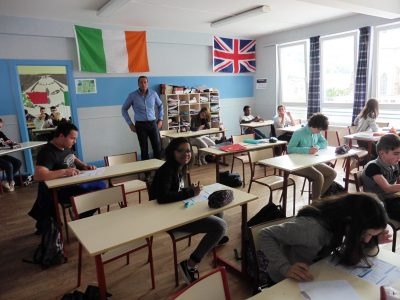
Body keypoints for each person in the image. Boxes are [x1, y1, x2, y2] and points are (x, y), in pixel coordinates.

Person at [259, 192, 390, 284]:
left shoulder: (341, 222)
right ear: (350, 221)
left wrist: (374, 241)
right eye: (366, 234)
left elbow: (350, 246)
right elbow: (265, 234)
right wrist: (285, 267)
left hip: (316, 271)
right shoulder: (310, 228)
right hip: (286, 279)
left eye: (372, 236)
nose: (367, 239)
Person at [150, 137, 227, 283]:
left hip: (178, 209)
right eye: (181, 151)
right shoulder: (167, 170)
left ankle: (215, 240)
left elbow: (175, 190)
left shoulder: (180, 167)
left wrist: (189, 189)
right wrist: (191, 193)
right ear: (172, 152)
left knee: (217, 206)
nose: (186, 154)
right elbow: (162, 197)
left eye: (188, 151)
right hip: (168, 216)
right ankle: (190, 264)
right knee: (220, 226)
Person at [28, 122, 105, 233]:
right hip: (62, 190)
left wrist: (84, 166)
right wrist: (64, 171)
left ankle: (81, 215)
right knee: (97, 191)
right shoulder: (47, 152)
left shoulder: (65, 146)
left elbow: (72, 157)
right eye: (72, 138)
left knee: (101, 185)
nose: (75, 141)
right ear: (61, 136)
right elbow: (38, 176)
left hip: (75, 181)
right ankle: (80, 216)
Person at [287, 113, 336, 200]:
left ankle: (316, 197)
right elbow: (289, 149)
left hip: (311, 161)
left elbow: (324, 143)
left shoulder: (316, 133)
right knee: (318, 177)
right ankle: (315, 201)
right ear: (314, 125)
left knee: (332, 173)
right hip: (298, 163)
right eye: (319, 129)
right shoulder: (299, 133)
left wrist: (317, 146)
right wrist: (307, 150)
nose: (320, 132)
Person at [122, 76, 163, 160]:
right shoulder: (132, 95)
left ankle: (159, 170)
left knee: (157, 148)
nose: (143, 84)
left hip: (152, 124)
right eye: (141, 82)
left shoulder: (153, 94)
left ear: (147, 83)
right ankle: (146, 172)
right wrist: (130, 124)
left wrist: (161, 119)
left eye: (145, 82)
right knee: (144, 149)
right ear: (138, 84)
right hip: (140, 126)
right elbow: (124, 109)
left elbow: (160, 105)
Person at [362, 134, 400, 221]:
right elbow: (388, 188)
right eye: (396, 154)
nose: (399, 157)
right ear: (382, 153)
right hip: (377, 203)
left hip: (391, 198)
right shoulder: (373, 167)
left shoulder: (395, 164)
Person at [0, 118, 22, 192]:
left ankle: (6, 180)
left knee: (18, 162)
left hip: (2, 155)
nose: (1, 126)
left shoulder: (1, 133)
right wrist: (2, 143)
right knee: (9, 165)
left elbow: (7, 141)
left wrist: (13, 144)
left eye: (1, 125)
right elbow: (3, 143)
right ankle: (10, 182)